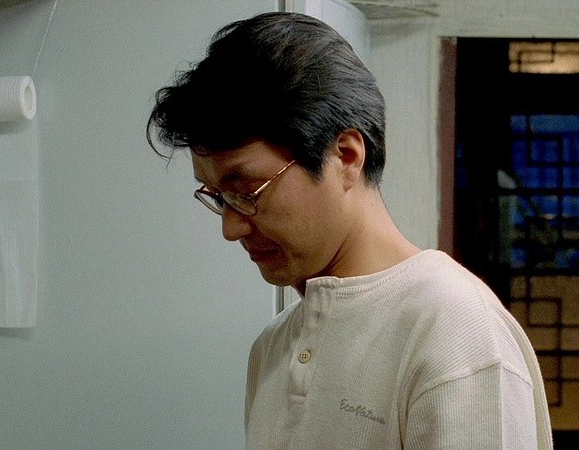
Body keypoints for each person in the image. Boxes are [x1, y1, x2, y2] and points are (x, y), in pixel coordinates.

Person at [147, 11, 553, 450]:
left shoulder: (456, 332)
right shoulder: (274, 346)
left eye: (246, 191)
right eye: (218, 197)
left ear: (345, 157)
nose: (230, 227)